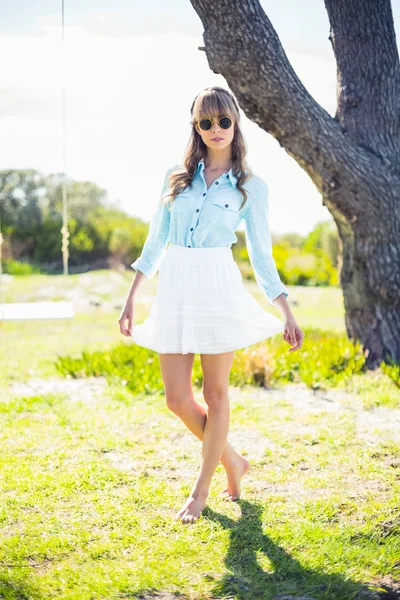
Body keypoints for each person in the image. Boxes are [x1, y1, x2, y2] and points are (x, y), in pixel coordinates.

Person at [119, 86, 304, 524]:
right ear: (196, 127)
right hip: (176, 285)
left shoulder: (250, 187)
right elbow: (155, 242)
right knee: (177, 398)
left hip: (217, 284)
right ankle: (233, 460)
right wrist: (131, 298)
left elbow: (261, 256)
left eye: (223, 120)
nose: (216, 129)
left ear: (235, 123)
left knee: (215, 393)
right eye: (206, 122)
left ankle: (202, 491)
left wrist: (286, 311)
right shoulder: (175, 178)